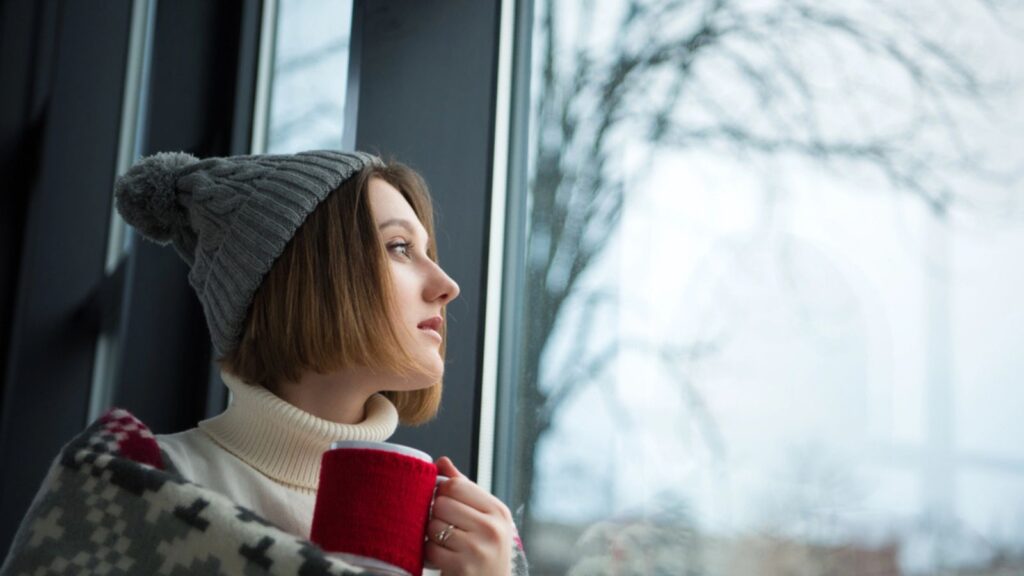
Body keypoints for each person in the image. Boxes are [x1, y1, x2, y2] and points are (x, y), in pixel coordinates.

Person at [1, 150, 527, 576]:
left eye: (427, 251)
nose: (446, 285)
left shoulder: (465, 540)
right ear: (305, 277)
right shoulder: (124, 495)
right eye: (398, 248)